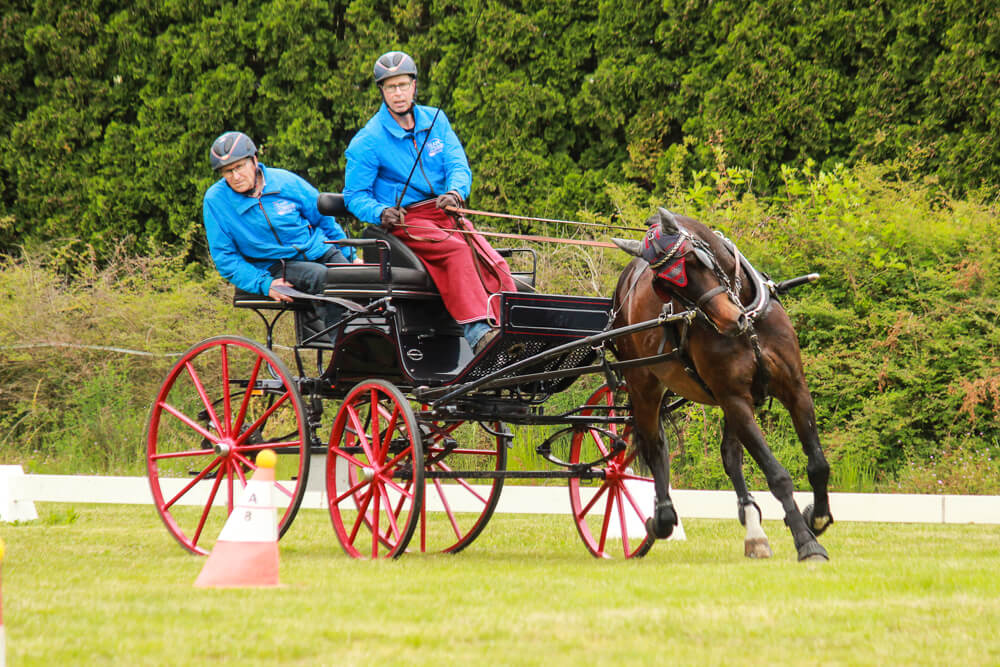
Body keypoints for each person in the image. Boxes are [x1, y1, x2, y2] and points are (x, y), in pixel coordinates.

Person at [343, 50, 516, 354]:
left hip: (444, 212)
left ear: (414, 86)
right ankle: (479, 334)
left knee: (493, 261)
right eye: (391, 87)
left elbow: (457, 164)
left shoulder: (436, 120)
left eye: (403, 85)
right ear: (382, 91)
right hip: (405, 220)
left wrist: (456, 192)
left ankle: (512, 328)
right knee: (457, 252)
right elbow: (354, 196)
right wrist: (380, 211)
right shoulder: (368, 140)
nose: (398, 93)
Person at [202, 131, 361, 342]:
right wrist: (264, 283)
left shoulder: (285, 181)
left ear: (254, 160)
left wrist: (350, 256)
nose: (235, 176)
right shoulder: (215, 201)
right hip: (275, 264)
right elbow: (225, 258)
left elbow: (323, 219)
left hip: (318, 249)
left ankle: (377, 340)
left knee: (359, 279)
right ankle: (348, 349)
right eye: (227, 172)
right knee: (321, 277)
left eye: (239, 167)